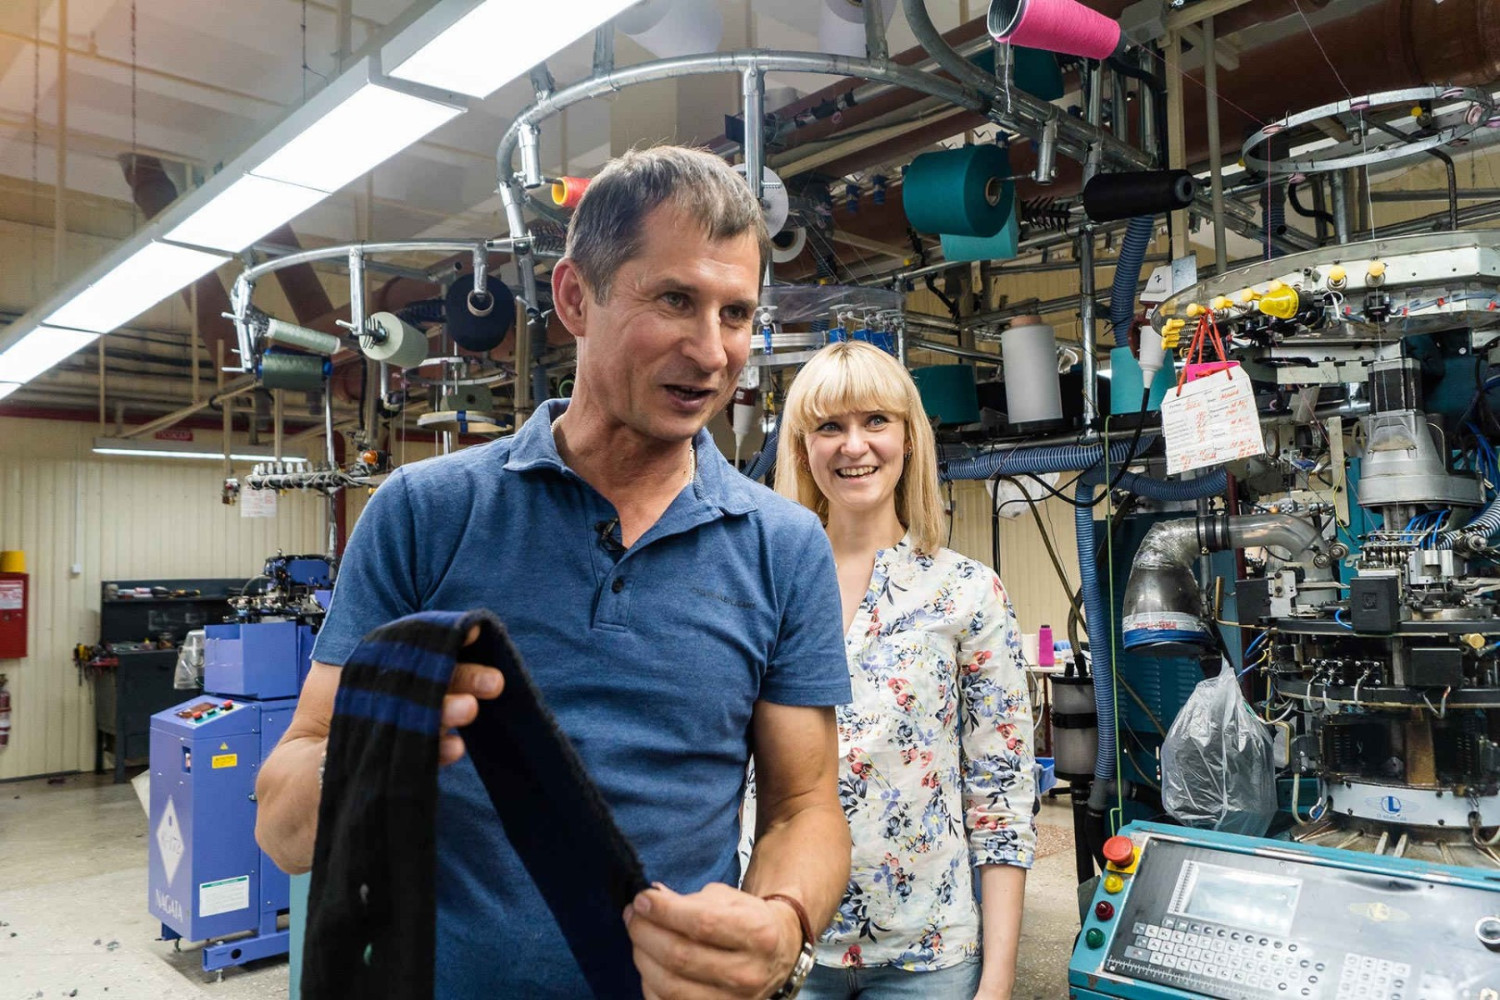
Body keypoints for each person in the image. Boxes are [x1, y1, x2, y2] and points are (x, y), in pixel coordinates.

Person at [255, 146, 853, 999]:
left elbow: (804, 806)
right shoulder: (425, 514)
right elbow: (282, 823)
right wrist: (367, 763)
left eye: (736, 313)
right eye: (675, 300)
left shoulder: (784, 546)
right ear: (575, 298)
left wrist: (785, 923)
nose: (713, 351)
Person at [766, 340, 1036, 999]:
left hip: (929, 955)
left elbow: (1001, 793)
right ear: (801, 447)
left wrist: (998, 980)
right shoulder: (766, 588)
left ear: (909, 437)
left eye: (875, 421)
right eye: (829, 426)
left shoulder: (967, 592)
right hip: (784, 941)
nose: (854, 445)